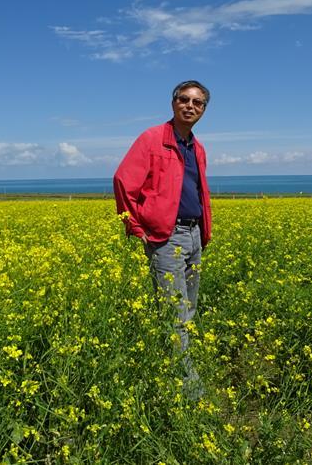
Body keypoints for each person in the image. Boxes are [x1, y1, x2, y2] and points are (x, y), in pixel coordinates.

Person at [113, 80, 212, 399]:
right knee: (174, 311)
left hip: (194, 233)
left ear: (203, 110)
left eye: (197, 103)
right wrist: (137, 227)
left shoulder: (197, 148)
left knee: (189, 309)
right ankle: (187, 387)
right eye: (184, 99)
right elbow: (123, 181)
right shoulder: (153, 138)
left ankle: (171, 370)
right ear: (173, 103)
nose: (190, 106)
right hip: (166, 236)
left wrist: (203, 231)